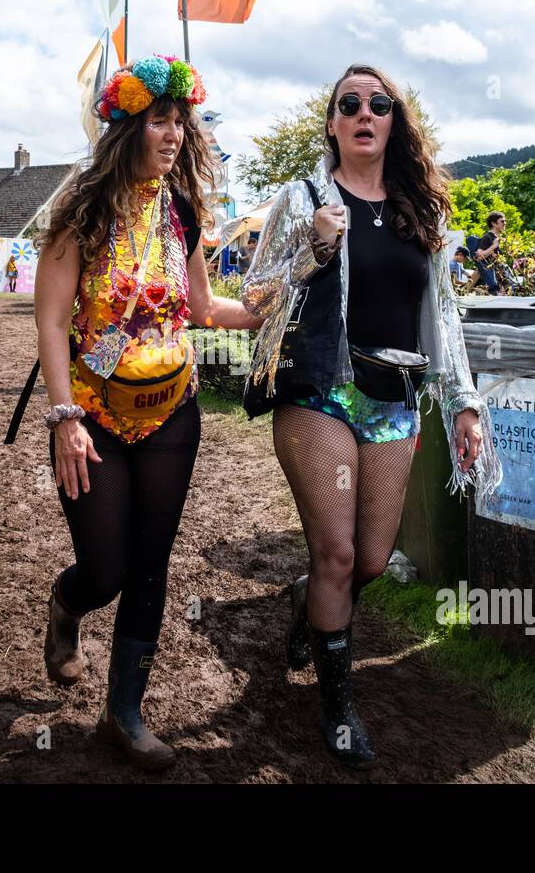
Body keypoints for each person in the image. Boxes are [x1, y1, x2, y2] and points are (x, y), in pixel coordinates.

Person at [241, 63, 502, 769]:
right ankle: (338, 708)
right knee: (338, 552)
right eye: (348, 103)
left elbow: (443, 315)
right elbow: (255, 294)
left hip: (395, 399)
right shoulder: (302, 199)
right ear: (331, 122)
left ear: (394, 121)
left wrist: (465, 405)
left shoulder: (423, 213)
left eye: (378, 103)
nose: (363, 111)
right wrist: (315, 247)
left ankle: (309, 599)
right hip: (322, 391)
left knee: (375, 563)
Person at [35, 54, 260, 772]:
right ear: (128, 126)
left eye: (180, 122)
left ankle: (123, 713)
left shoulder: (183, 213)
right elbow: (50, 320)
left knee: (152, 565)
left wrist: (269, 308)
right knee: (106, 568)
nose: (173, 134)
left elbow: (201, 307)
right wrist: (65, 416)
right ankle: (68, 606)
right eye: (160, 120)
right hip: (94, 416)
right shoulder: (81, 210)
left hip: (172, 413)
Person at [472, 211, 505, 296]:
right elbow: (479, 256)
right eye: (502, 221)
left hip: (498, 274)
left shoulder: (497, 237)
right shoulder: (488, 237)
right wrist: (494, 246)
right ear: (494, 223)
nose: (505, 223)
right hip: (490, 276)